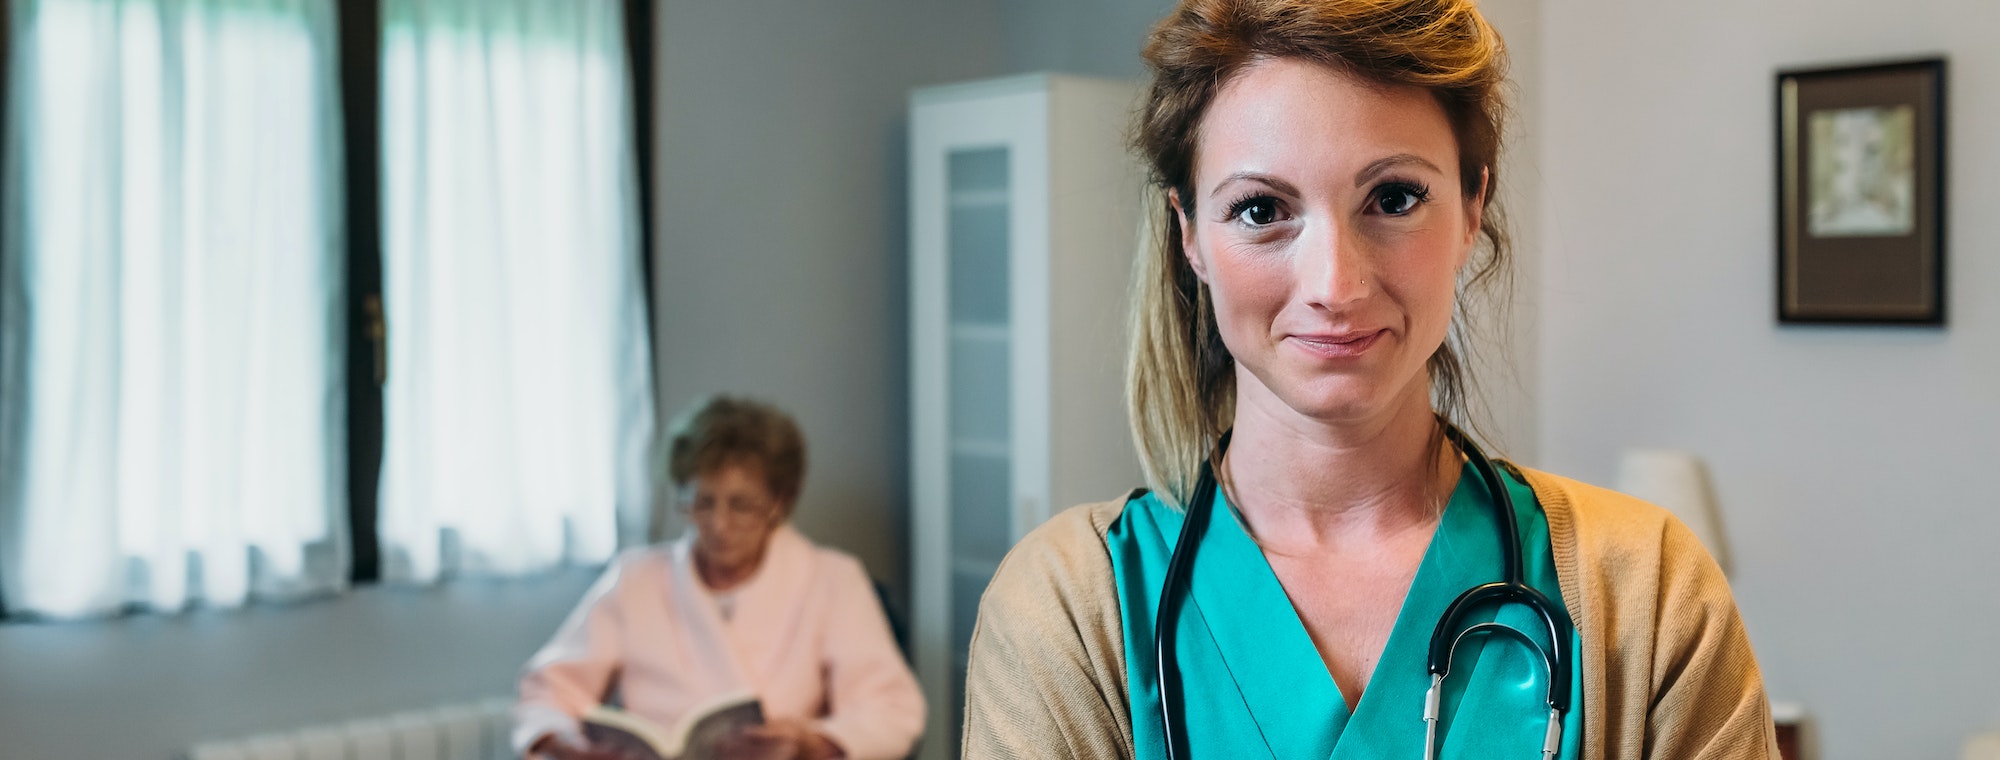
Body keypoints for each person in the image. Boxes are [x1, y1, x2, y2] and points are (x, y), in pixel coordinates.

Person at [961, 1, 1779, 758]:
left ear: (1470, 209)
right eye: (1260, 210)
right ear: (1189, 235)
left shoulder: (1646, 594)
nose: (1336, 284)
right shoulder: (1069, 612)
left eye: (1393, 197)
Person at [513, 396, 924, 760]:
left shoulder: (833, 579)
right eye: (702, 504)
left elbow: (890, 709)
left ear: (778, 503)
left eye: (741, 506)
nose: (719, 525)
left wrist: (812, 742)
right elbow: (549, 691)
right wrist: (561, 741)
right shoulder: (636, 579)